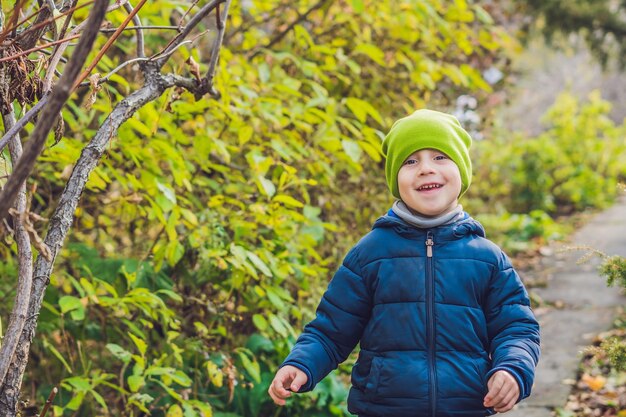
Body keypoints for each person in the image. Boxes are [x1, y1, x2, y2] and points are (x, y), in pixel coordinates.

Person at [267, 109, 541, 417]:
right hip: (385, 408)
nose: (425, 169)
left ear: (462, 171)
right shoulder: (370, 253)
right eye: (410, 161)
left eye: (439, 157)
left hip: (467, 408)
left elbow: (516, 327)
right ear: (396, 179)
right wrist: (301, 363)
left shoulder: (487, 258)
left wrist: (513, 368)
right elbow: (331, 330)